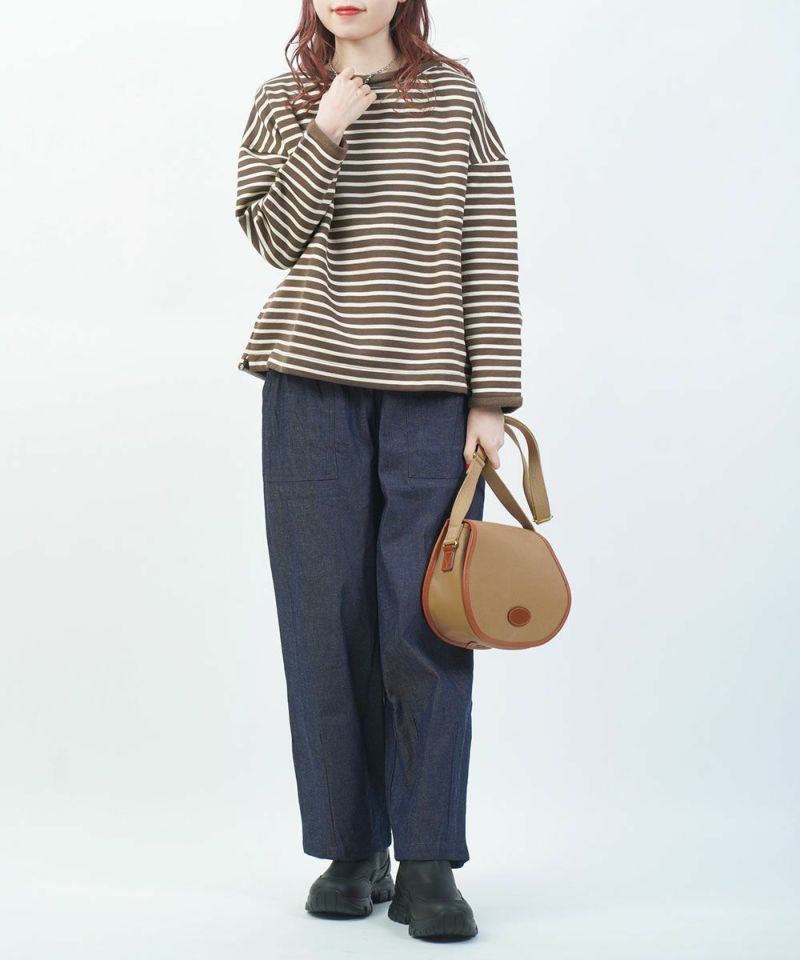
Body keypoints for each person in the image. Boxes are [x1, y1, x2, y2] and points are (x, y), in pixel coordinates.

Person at [234, 0, 523, 941]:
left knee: (426, 622)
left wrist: (492, 398)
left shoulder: (455, 99)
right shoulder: (283, 101)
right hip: (308, 391)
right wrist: (326, 127)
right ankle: (351, 849)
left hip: (430, 396)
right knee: (325, 622)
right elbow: (274, 240)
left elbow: (489, 242)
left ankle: (429, 856)